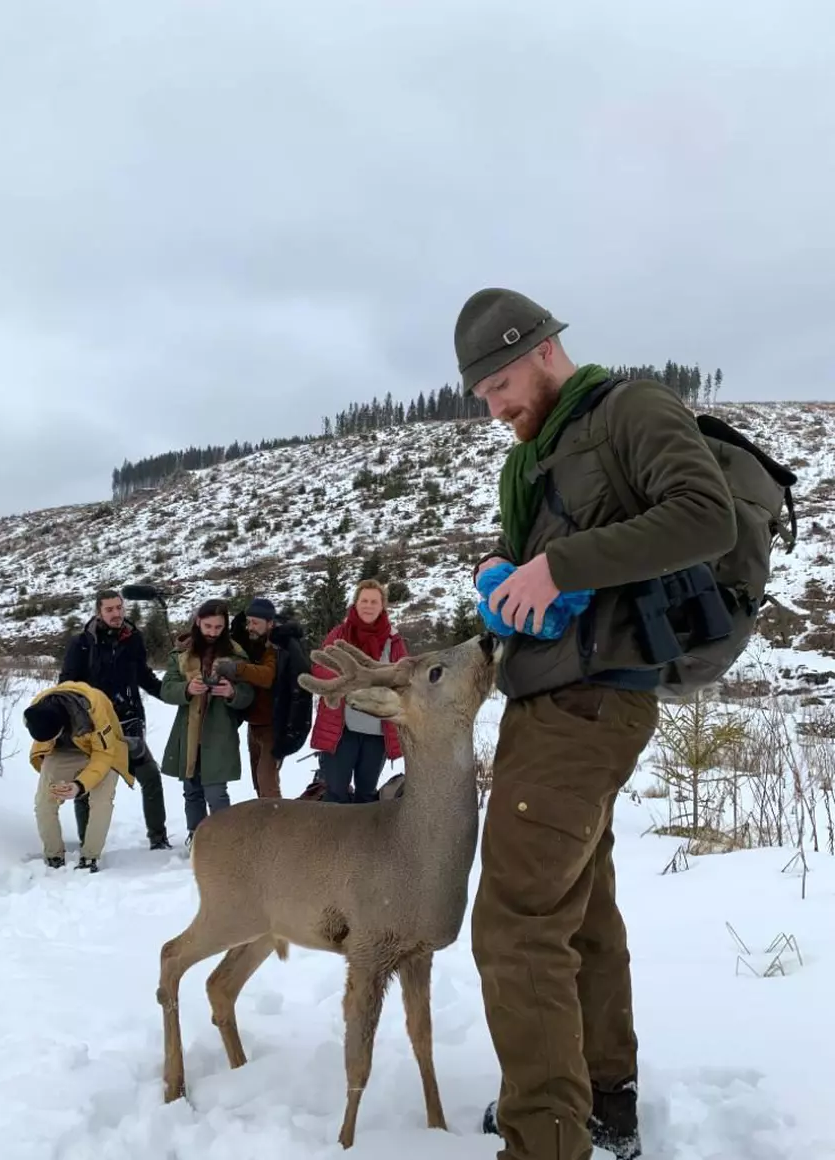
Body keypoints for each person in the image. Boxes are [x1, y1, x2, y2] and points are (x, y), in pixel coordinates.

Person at [453, 287, 737, 1160]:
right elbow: (549, 568)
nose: (495, 407)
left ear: (542, 349)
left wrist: (560, 564)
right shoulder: (538, 453)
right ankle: (602, 1102)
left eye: (500, 383)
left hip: (590, 703)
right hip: (550, 702)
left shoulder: (629, 408)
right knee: (578, 917)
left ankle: (546, 1140)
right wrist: (506, 570)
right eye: (483, 396)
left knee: (515, 922)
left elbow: (705, 516)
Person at [59, 588, 170, 850]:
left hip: (128, 724)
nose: (116, 613)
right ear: (99, 612)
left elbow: (144, 676)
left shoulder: (134, 639)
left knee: (151, 777)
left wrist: (175, 693)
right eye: (109, 609)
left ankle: (158, 839)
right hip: (93, 726)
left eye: (119, 608)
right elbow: (67, 684)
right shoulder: (82, 643)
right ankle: (89, 843)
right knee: (87, 785)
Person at [160, 599, 254, 844]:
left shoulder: (236, 655)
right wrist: (188, 688)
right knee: (191, 790)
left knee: (216, 792)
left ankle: (223, 841)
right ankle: (197, 836)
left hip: (219, 734)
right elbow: (167, 689)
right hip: (188, 732)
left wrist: (231, 693)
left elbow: (249, 695)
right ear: (198, 622)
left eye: (218, 627)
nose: (213, 632)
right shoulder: (182, 653)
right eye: (208, 626)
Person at [310, 579, 408, 803]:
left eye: (374, 601)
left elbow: (404, 678)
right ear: (356, 603)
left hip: (377, 734)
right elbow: (320, 666)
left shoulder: (393, 641)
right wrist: (345, 682)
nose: (369, 605)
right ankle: (333, 838)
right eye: (364, 600)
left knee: (366, 795)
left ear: (382, 606)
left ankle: (363, 839)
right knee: (335, 793)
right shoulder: (340, 634)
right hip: (342, 730)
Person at [24, 680, 134, 872]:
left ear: (61, 727)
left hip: (103, 750)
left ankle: (90, 857)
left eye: (51, 736)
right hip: (63, 751)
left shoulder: (93, 708)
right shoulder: (37, 707)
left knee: (102, 802)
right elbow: (44, 744)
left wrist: (79, 785)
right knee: (44, 802)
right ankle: (53, 856)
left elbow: (104, 754)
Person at [224, 597, 313, 798]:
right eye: (249, 622)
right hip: (253, 724)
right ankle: (266, 823)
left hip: (273, 727)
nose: (250, 627)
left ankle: (277, 825)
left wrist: (237, 669)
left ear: (270, 623)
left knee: (267, 781)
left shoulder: (277, 647)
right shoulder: (251, 642)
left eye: (255, 623)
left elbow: (266, 676)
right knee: (258, 781)